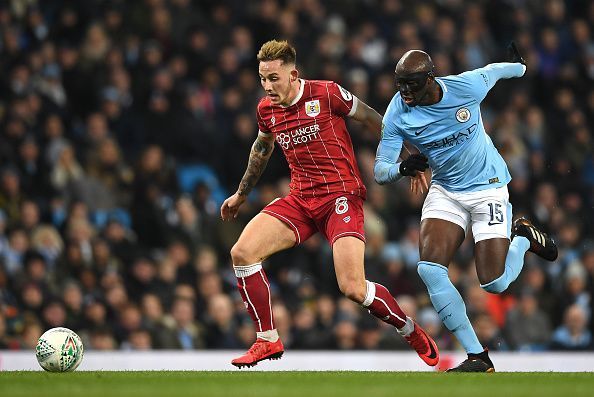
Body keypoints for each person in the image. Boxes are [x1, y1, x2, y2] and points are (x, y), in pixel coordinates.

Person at [220, 40, 438, 368]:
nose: (267, 86)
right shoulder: (266, 109)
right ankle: (268, 340)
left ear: (293, 74)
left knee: (352, 288)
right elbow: (261, 149)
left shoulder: (326, 93)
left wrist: (408, 156)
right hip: (301, 199)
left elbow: (373, 119)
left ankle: (409, 329)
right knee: (242, 253)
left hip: (340, 196)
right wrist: (241, 193)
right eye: (263, 79)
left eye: (274, 78)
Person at [374, 44, 558, 372]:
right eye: (399, 84)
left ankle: (523, 238)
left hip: (488, 186)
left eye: (411, 85)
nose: (404, 92)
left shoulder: (465, 87)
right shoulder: (398, 112)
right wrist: (402, 169)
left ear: (430, 79)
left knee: (494, 284)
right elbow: (380, 169)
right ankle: (477, 355)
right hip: (446, 190)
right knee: (429, 269)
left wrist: (521, 68)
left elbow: (495, 71)